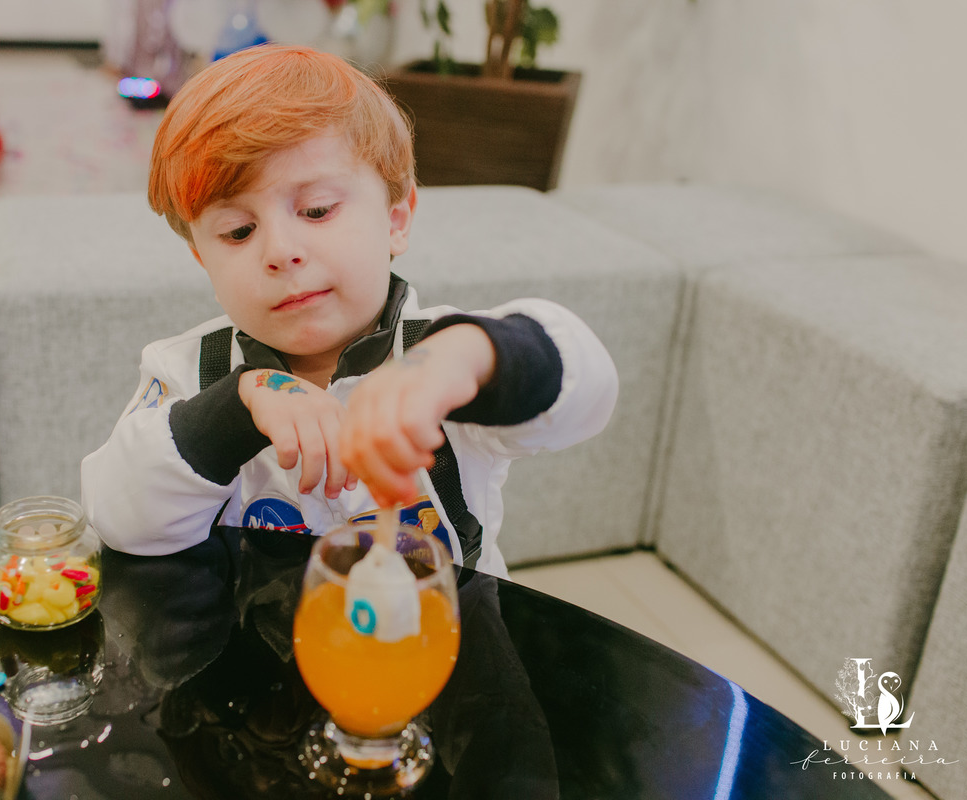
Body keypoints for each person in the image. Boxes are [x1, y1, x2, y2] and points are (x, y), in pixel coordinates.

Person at [80, 43, 617, 577]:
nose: (279, 251)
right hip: (256, 648)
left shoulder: (442, 360)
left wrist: (472, 355)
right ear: (202, 257)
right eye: (238, 231)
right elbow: (120, 518)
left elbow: (587, 390)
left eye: (317, 210)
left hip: (446, 641)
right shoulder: (186, 373)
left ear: (396, 218)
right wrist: (235, 411)